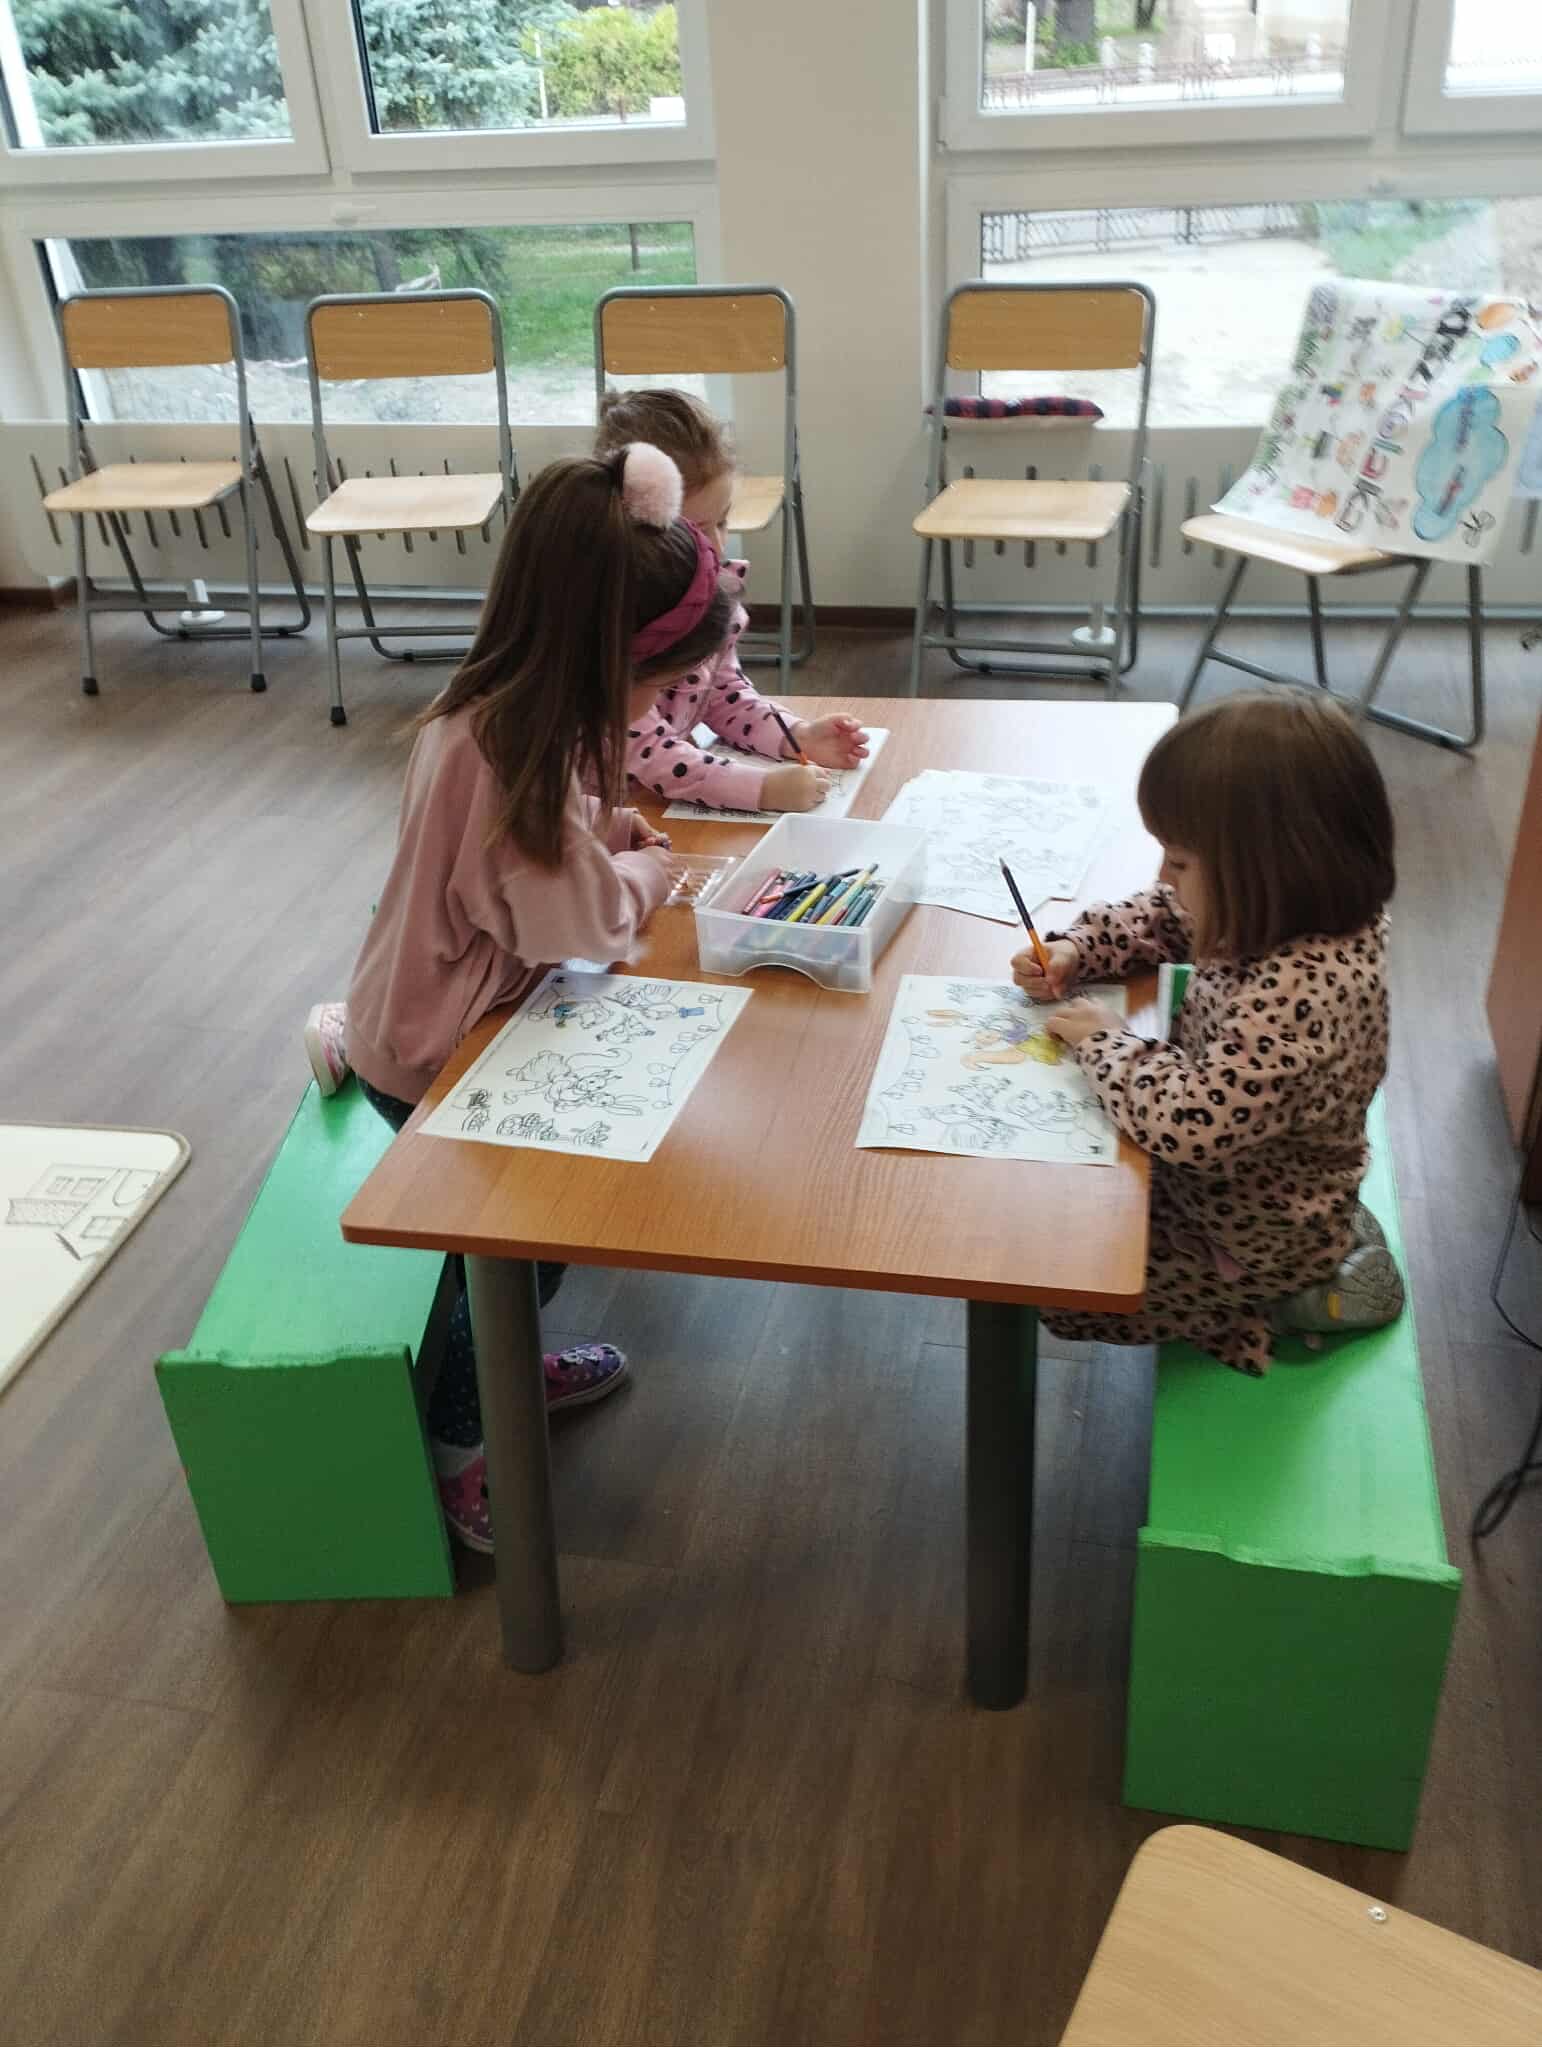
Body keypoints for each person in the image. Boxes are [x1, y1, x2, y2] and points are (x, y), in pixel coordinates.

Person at [310, 443, 737, 1551]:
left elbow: (537, 856)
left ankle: (507, 1365)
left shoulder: (500, 708)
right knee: (505, 1253)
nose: (654, 707)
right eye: (653, 686)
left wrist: (609, 833)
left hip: (439, 1001)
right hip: (434, 1048)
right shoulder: (519, 753)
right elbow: (570, 922)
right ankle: (466, 1448)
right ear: (606, 656)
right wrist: (643, 876)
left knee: (531, 1236)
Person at [1014, 691, 1404, 1377]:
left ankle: (1297, 1294)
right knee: (1049, 1211)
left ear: (1266, 868)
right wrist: (1080, 947)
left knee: (1061, 1290)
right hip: (1239, 1176)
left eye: (1180, 861)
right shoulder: (1275, 906)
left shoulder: (1301, 992)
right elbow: (1165, 915)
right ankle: (1326, 1240)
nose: (1163, 876)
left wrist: (1104, 1041)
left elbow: (1193, 1124)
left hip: (1246, 1235)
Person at [593, 386, 868, 811]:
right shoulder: (610, 616)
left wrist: (798, 736)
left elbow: (722, 695)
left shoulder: (708, 587)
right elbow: (648, 752)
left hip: (648, 804)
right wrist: (763, 789)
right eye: (694, 529)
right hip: (591, 815)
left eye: (722, 522)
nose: (717, 545)